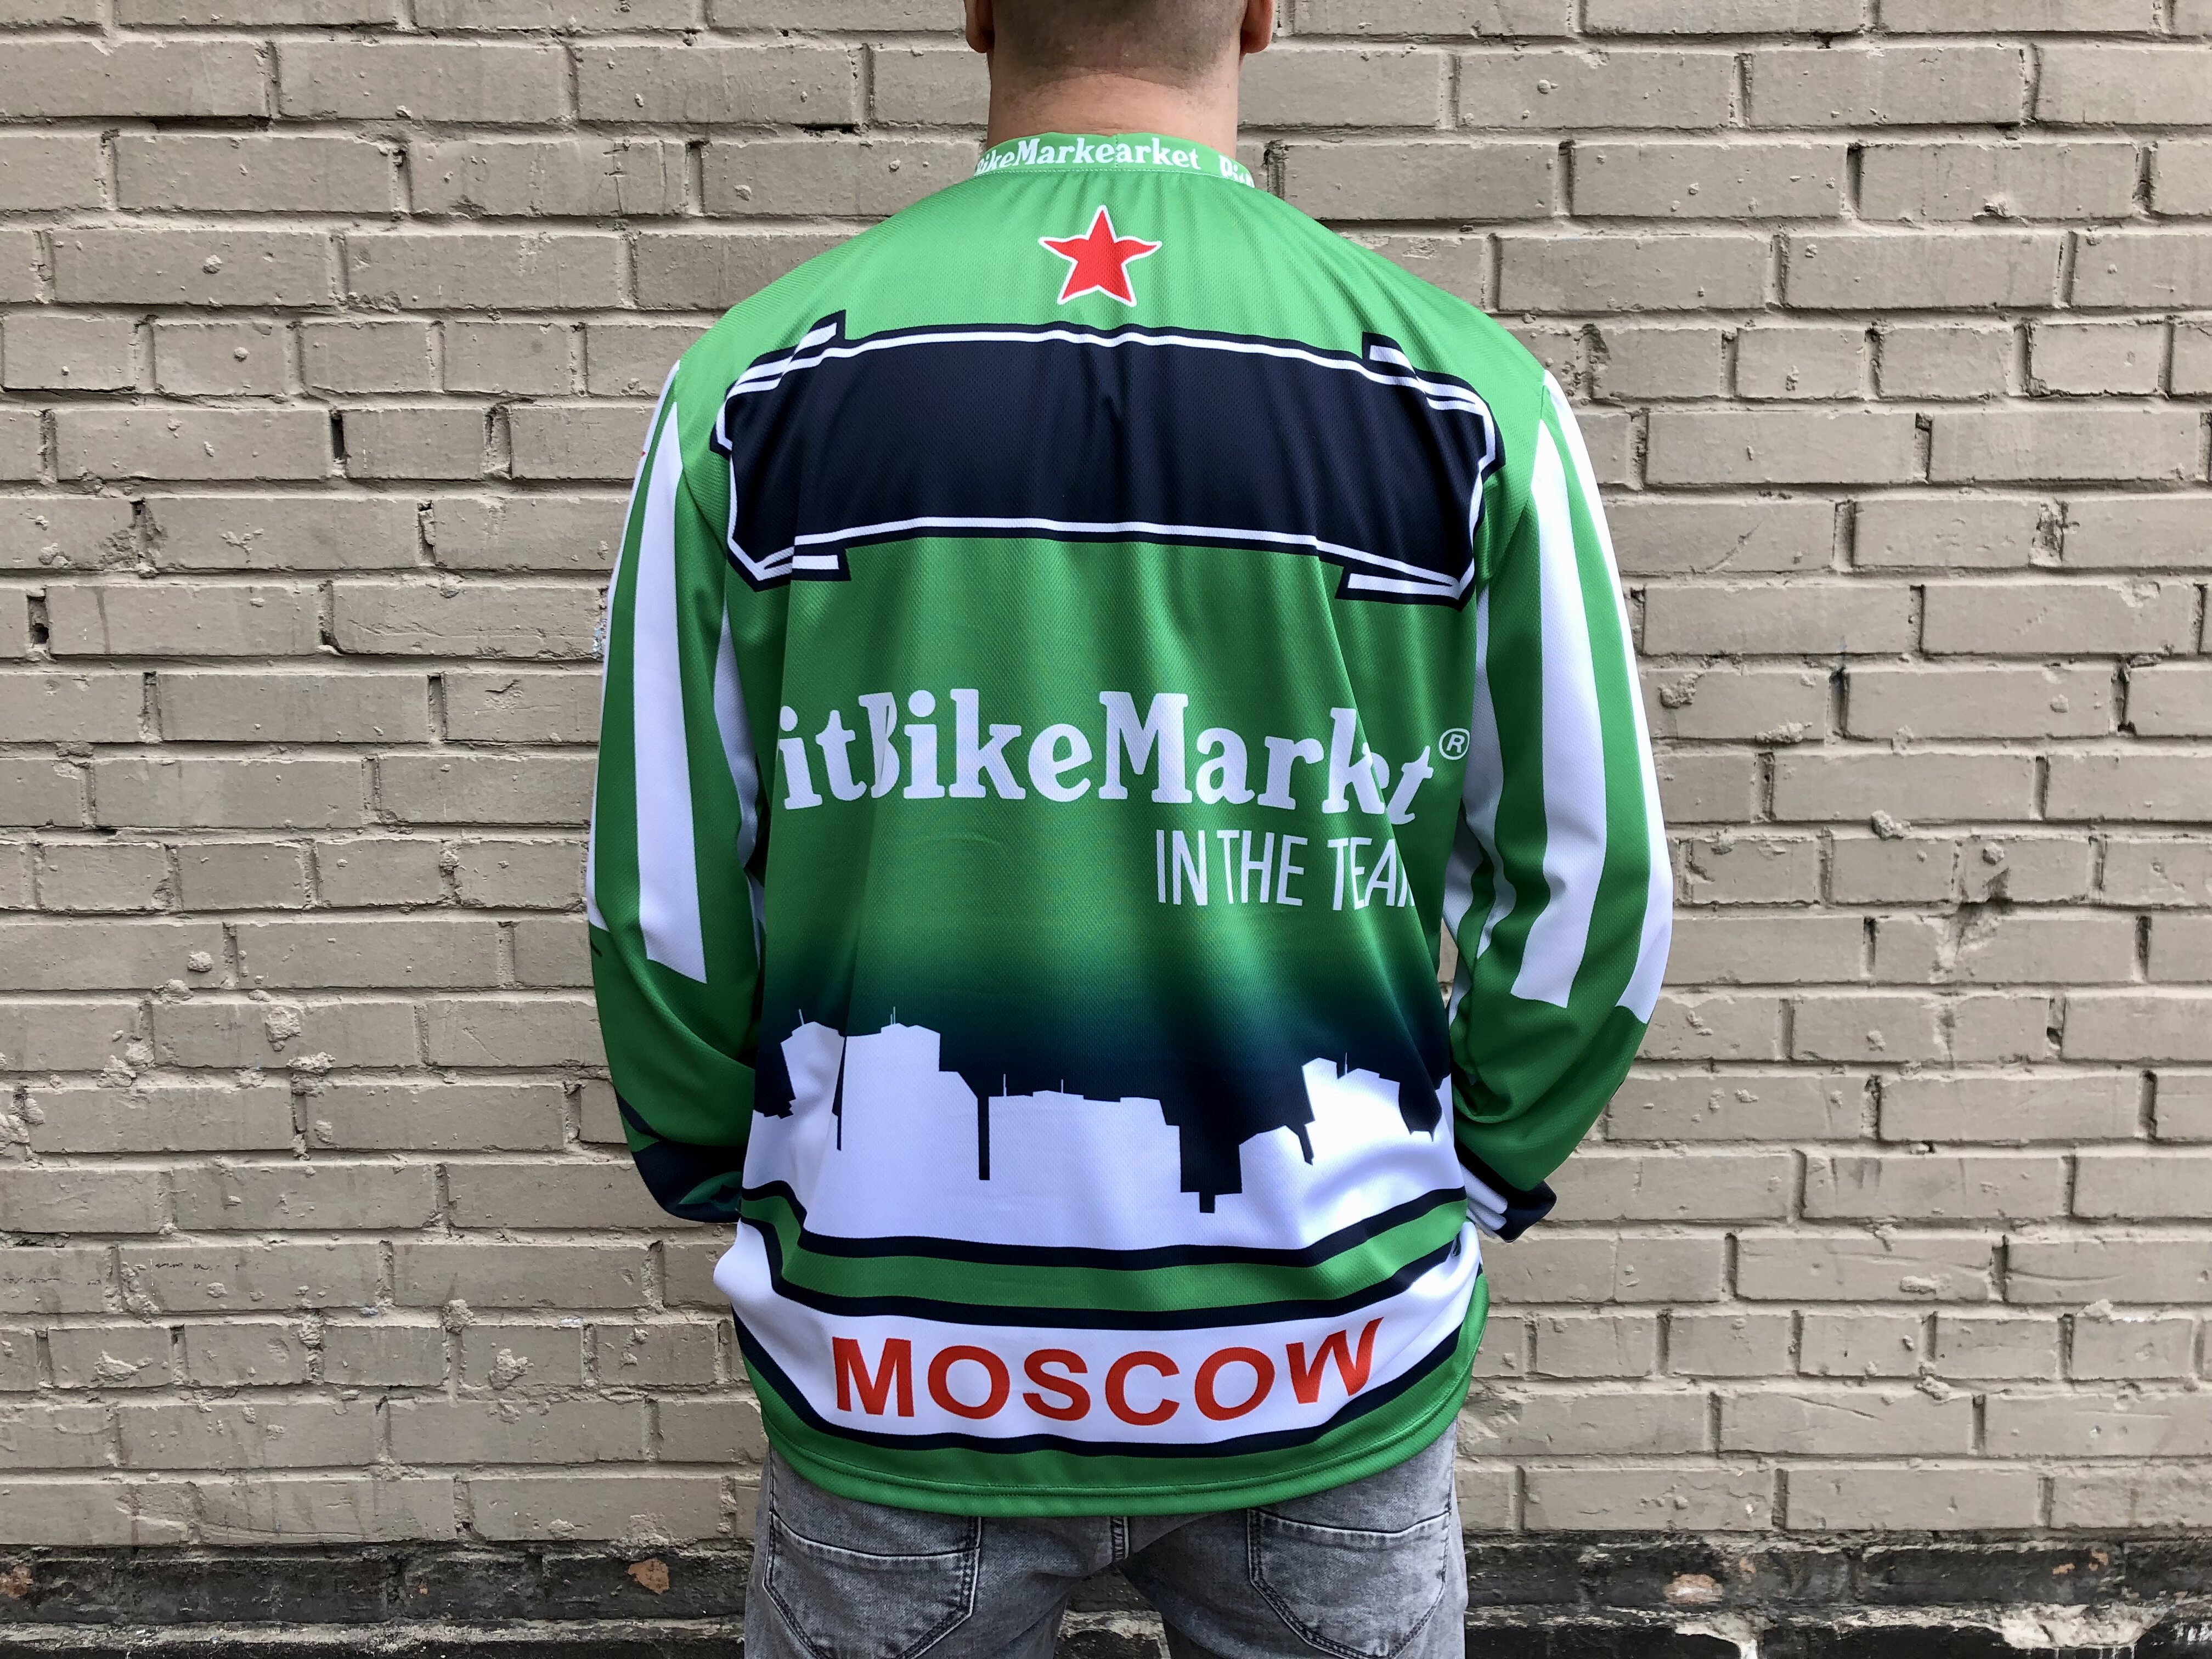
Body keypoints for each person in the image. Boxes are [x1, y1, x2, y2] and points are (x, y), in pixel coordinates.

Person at [586, 0, 1671, 1650]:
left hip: (896, 1357)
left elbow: (664, 903)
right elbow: (1594, 897)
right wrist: (1476, 1174)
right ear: (1264, 7)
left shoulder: (758, 385)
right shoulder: (1467, 397)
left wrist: (720, 1165)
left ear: (972, 8)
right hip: (1324, 1346)